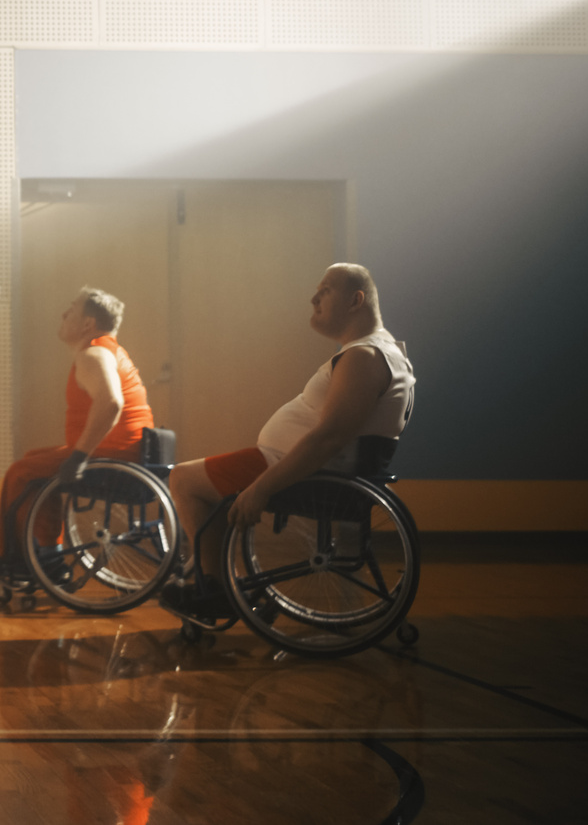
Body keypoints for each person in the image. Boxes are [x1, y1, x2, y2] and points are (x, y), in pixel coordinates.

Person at [161, 263, 416, 624]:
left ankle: (215, 589)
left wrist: (261, 488)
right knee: (195, 480)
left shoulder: (365, 356)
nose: (313, 297)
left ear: (356, 299)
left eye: (325, 289)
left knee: (184, 480)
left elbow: (330, 437)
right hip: (303, 465)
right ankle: (216, 583)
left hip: (292, 467)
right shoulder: (378, 352)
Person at [0, 287, 155, 585]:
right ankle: (49, 556)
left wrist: (78, 457)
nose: (64, 315)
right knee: (35, 461)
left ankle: (22, 563)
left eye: (71, 310)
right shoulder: (107, 350)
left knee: (20, 473)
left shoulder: (93, 354)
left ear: (88, 324)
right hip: (127, 451)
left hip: (114, 455)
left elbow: (111, 402)